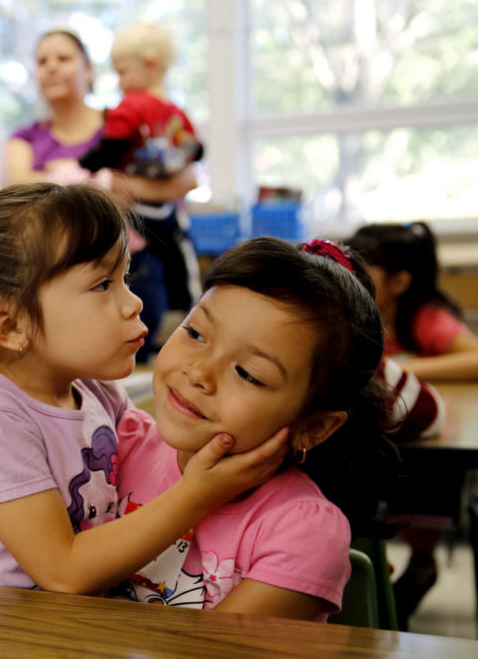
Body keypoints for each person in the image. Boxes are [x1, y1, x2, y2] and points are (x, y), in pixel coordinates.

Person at [0, 182, 288, 594]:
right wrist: (198, 494)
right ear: (10, 327)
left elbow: (164, 467)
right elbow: (64, 571)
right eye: (102, 285)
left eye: (125, 277)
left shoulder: (96, 393)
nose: (133, 302)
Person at [112, 237, 400, 622]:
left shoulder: (303, 532)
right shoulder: (113, 444)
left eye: (247, 374)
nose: (199, 373)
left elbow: (209, 653)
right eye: (196, 333)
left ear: (313, 428)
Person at [1, 29, 199, 362]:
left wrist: (101, 184)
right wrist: (106, 185)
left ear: (88, 71)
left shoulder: (124, 119)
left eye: (63, 58)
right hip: (57, 272)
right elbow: (19, 187)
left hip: (135, 269)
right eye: (42, 61)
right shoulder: (24, 138)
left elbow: (186, 178)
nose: (51, 67)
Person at [347, 221, 478, 628]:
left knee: (417, 495)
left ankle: (421, 566)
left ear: (401, 281)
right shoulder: (351, 310)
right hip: (374, 434)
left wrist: (405, 368)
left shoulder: (423, 317)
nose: (350, 276)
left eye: (363, 270)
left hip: (425, 438)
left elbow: (474, 357)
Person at [348, 222, 478, 381]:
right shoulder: (350, 317)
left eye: (360, 274)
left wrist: (393, 371)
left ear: (399, 283)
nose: (350, 281)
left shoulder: (427, 320)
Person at [77, 22, 203, 181]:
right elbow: (197, 150)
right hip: (165, 202)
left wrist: (80, 166)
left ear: (150, 65)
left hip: (130, 200)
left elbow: (110, 151)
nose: (120, 82)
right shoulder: (176, 112)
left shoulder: (130, 105)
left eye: (122, 72)